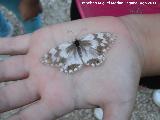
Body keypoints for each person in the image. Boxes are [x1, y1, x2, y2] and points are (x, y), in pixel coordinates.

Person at [0, 13, 160, 120]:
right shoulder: (90, 39)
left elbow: (55, 54)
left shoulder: (64, 47)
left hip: (74, 57)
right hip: (88, 44)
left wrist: (135, 38)